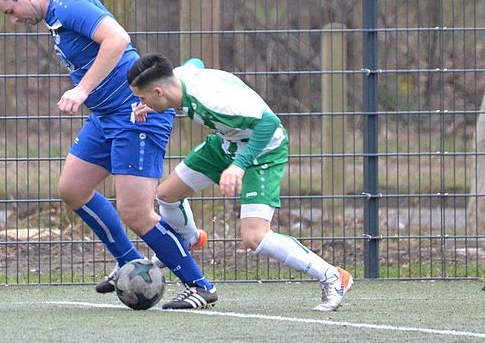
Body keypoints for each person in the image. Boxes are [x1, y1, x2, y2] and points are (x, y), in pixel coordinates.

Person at [0, 0, 217, 309]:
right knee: (72, 188)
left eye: (10, 11)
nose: (13, 20)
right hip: (106, 116)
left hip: (135, 113)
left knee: (135, 212)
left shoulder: (68, 4)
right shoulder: (55, 15)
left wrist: (82, 89)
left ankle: (200, 286)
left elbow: (117, 39)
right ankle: (128, 261)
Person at [126, 53, 354, 312]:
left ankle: (332, 276)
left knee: (255, 237)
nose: (141, 103)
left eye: (142, 98)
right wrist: (153, 105)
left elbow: (270, 123)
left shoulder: (215, 102)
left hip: (262, 152)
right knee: (167, 195)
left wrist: (239, 165)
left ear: (158, 92)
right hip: (227, 144)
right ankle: (188, 239)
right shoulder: (178, 79)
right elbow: (196, 62)